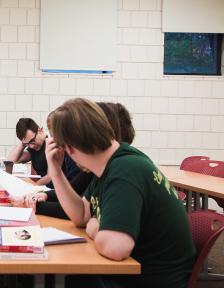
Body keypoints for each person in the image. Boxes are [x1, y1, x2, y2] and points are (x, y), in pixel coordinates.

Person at [45, 98, 195, 287]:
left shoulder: (124, 170)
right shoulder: (110, 163)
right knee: (73, 277)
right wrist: (56, 173)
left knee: (71, 278)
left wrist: (95, 227)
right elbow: (82, 215)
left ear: (70, 148)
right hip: (137, 271)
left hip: (150, 280)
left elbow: (116, 247)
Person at [8, 118, 92, 219]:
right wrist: (23, 143)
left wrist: (33, 193)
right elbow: (11, 160)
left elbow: (51, 176)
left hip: (53, 190)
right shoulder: (34, 150)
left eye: (32, 141)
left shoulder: (51, 147)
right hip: (51, 192)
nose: (31, 145)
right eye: (27, 144)